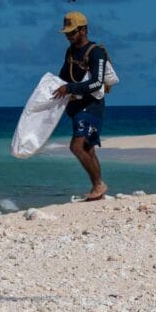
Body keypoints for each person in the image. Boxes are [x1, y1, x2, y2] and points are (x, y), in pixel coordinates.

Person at [52, 11, 108, 201]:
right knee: (88, 148)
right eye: (67, 33)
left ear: (83, 30)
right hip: (75, 107)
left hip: (92, 106)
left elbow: (96, 83)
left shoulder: (96, 52)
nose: (68, 37)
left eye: (72, 32)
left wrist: (69, 88)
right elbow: (63, 75)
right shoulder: (70, 51)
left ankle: (98, 185)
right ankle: (98, 188)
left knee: (76, 146)